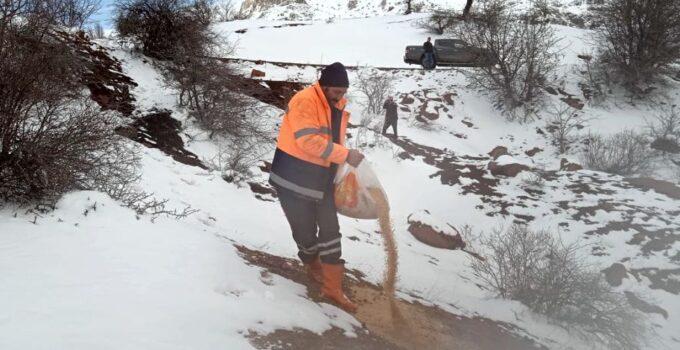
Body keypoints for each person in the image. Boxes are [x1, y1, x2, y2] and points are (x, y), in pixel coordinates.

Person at [269, 62, 364, 312]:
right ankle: (313, 267)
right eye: (336, 92)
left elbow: (330, 141)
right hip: (292, 178)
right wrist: (345, 155)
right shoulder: (305, 101)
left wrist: (341, 167)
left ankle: (333, 288)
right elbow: (308, 141)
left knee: (331, 229)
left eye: (343, 92)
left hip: (320, 180)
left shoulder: (336, 105)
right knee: (305, 231)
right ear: (324, 86)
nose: (341, 97)